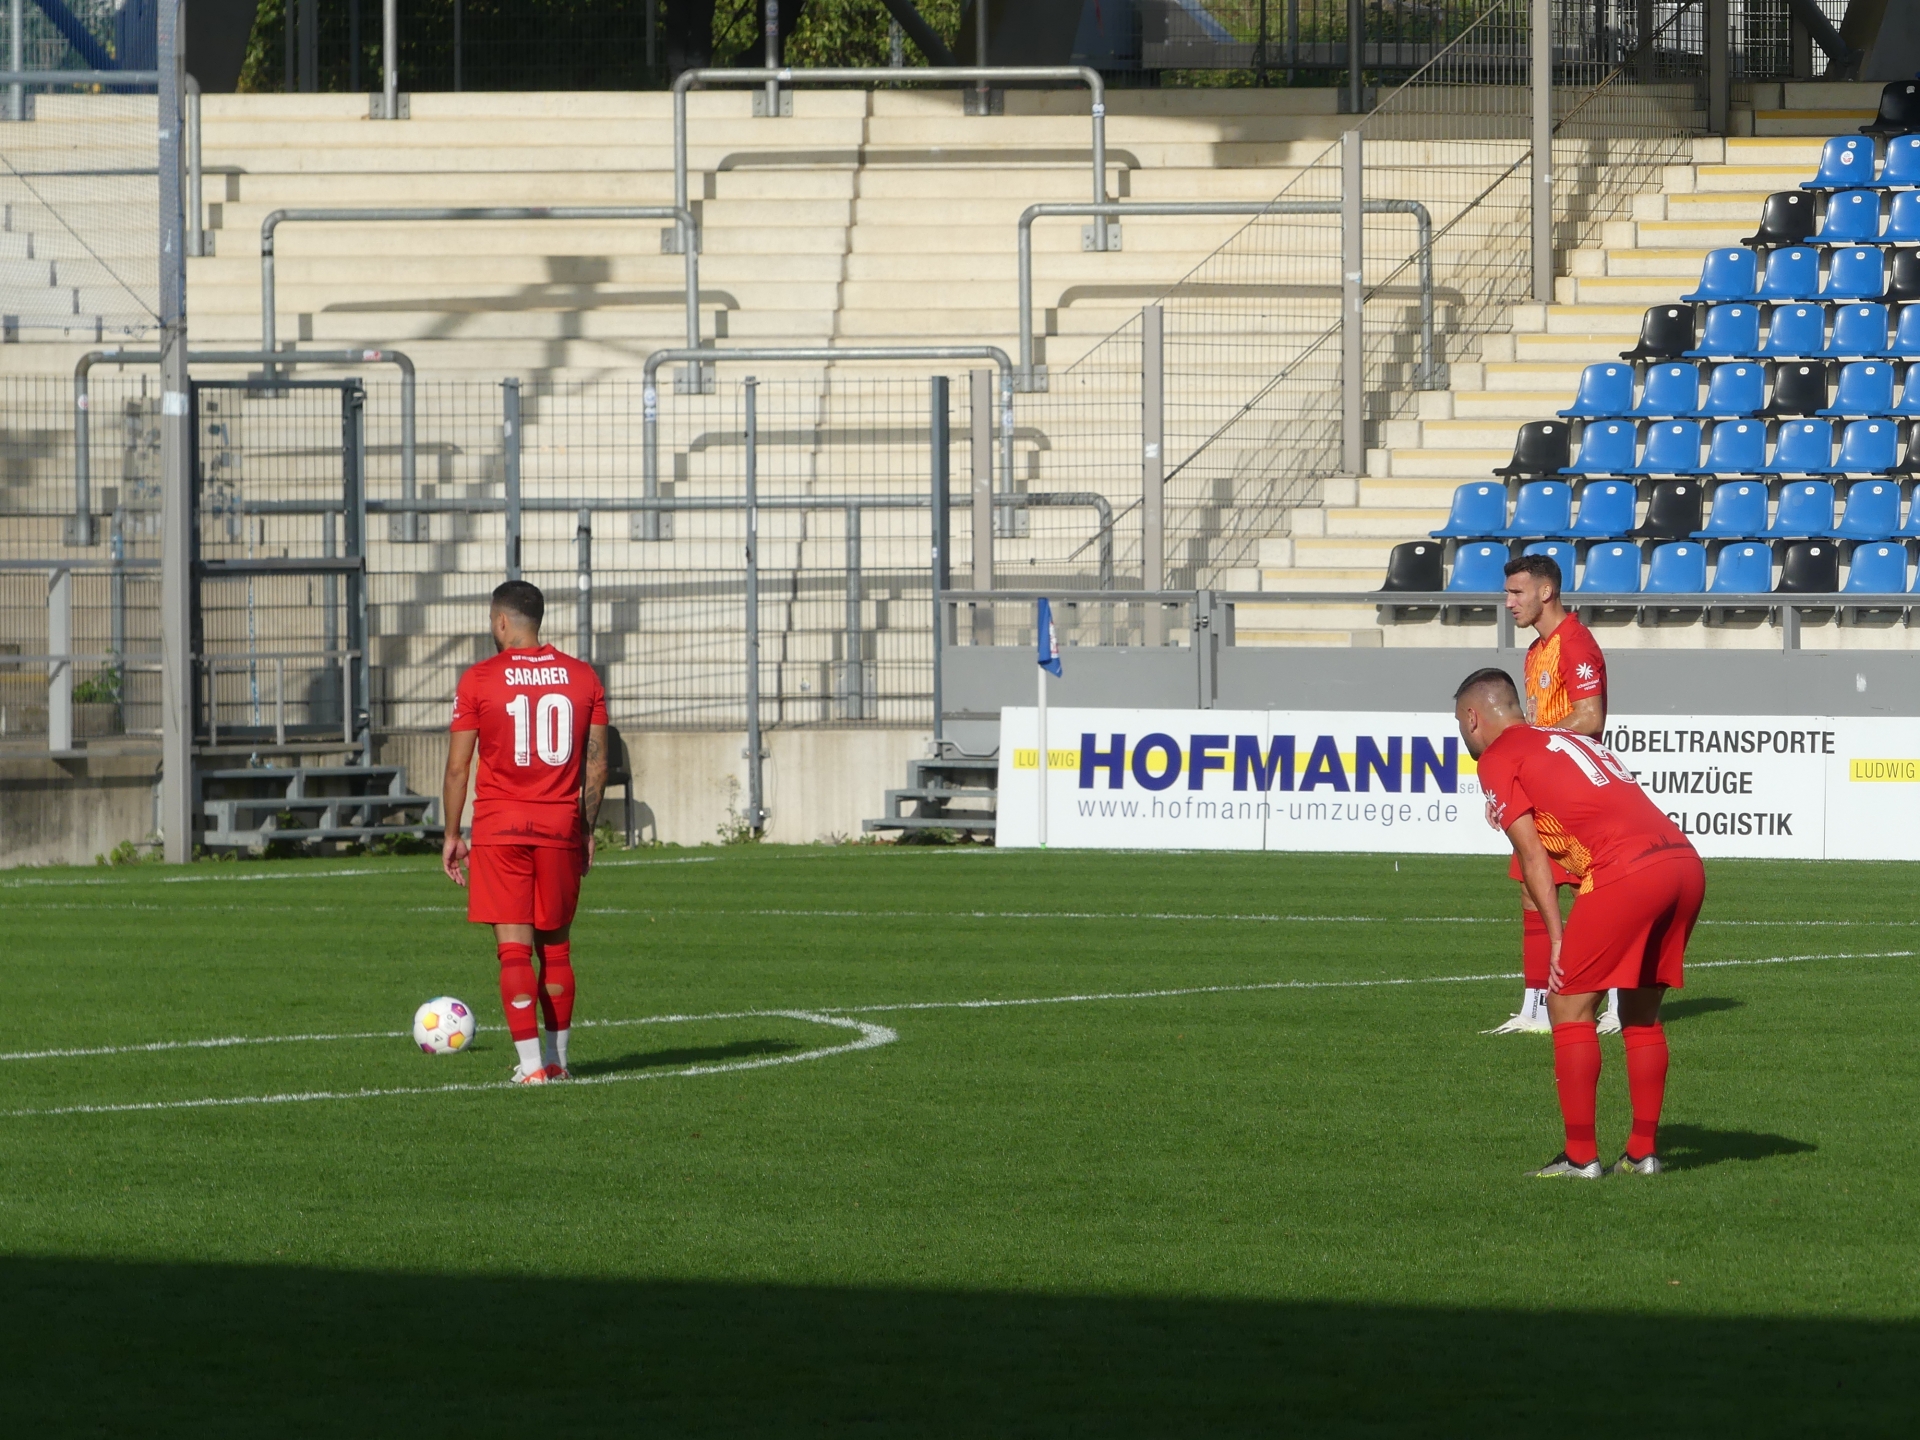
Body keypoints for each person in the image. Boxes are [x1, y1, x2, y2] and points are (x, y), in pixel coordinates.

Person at [1455, 668, 1703, 1179]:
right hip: (1683, 861)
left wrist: (1556, 936)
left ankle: (1580, 1156)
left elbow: (1532, 858)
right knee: (1639, 1011)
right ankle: (1642, 1153)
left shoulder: (1499, 757)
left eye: (1460, 724)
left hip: (1626, 871)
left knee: (1568, 1005)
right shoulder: (1566, 735)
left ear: (1473, 718)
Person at [442, 581, 609, 1084]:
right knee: (556, 949)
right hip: (560, 824)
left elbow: (457, 768)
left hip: (499, 828)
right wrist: (585, 830)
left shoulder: (479, 679)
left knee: (514, 949)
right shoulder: (584, 678)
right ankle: (559, 1063)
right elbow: (597, 768)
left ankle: (532, 1068)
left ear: (501, 622)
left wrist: (452, 834)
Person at [1485, 554, 1622, 1037]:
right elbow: (1532, 728)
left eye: (1516, 593)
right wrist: (1512, 778)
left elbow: (1590, 719)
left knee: (1605, 891)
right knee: (1530, 888)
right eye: (1507, 593)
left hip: (1577, 790)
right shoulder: (1535, 650)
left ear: (1546, 592)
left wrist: (1528, 756)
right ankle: (1536, 1007)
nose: (1508, 603)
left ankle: (1621, 1004)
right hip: (1545, 787)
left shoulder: (1576, 643)